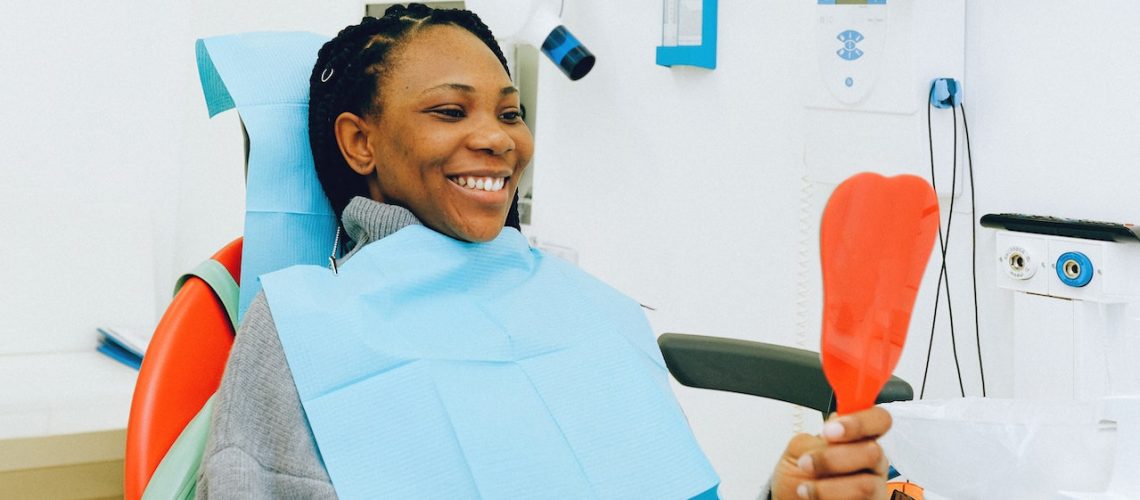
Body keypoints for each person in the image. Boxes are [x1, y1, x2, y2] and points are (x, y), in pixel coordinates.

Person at [196, 4, 892, 499]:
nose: (499, 139)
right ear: (360, 141)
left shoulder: (584, 306)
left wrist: (788, 494)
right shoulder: (302, 326)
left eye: (509, 111)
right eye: (449, 111)